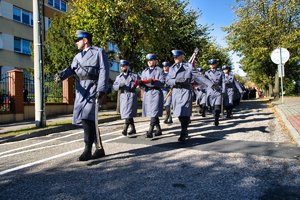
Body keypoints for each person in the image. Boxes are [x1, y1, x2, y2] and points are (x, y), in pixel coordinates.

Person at [55, 30, 109, 161]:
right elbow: (71, 70)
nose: (76, 43)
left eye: (78, 40)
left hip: (93, 88)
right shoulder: (77, 57)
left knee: (87, 118)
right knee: (88, 120)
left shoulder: (98, 52)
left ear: (85, 40)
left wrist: (101, 89)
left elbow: (104, 70)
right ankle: (99, 148)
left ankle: (87, 149)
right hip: (81, 89)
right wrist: (61, 76)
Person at [166, 50, 213, 142]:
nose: (175, 58)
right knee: (178, 113)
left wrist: (210, 84)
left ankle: (183, 131)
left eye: (177, 57)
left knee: (184, 111)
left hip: (185, 90)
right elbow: (167, 80)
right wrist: (175, 81)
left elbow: (199, 77)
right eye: (174, 57)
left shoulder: (189, 66)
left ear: (182, 57)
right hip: (176, 91)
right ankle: (185, 127)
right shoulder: (172, 68)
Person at [139, 53, 164, 138]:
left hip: (156, 93)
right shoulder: (144, 71)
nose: (150, 62)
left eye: (151, 60)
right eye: (148, 61)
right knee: (153, 112)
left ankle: (150, 131)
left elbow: (162, 82)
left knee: (154, 111)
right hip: (147, 93)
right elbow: (142, 83)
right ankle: (158, 129)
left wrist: (155, 82)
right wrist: (141, 84)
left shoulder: (159, 70)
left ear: (155, 61)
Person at [113, 59, 139, 136]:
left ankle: (125, 128)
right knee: (127, 113)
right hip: (123, 96)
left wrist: (137, 85)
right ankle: (133, 129)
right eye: (121, 66)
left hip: (131, 95)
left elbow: (140, 83)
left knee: (128, 113)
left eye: (123, 66)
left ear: (127, 66)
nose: (122, 67)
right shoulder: (118, 77)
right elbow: (114, 87)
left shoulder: (134, 76)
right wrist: (119, 85)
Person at [205, 58, 223, 126]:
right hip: (210, 91)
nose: (212, 65)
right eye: (210, 64)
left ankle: (216, 119)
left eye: (213, 64)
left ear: (216, 64)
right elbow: (204, 82)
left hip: (218, 91)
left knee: (217, 106)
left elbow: (223, 82)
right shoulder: (207, 73)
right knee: (212, 107)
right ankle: (215, 115)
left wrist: (223, 90)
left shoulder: (220, 72)